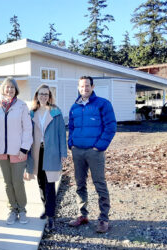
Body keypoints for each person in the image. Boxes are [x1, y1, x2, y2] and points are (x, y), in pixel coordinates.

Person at [68, 76, 116, 233]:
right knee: (79, 184)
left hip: (95, 152)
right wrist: (71, 144)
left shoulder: (103, 104)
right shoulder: (74, 107)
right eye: (82, 86)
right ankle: (82, 215)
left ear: (92, 86)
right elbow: (72, 127)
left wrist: (99, 147)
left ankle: (103, 219)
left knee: (99, 184)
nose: (85, 88)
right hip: (78, 152)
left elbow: (110, 126)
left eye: (87, 85)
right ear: (78, 87)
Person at [0, 77, 32, 225]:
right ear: (3, 89)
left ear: (16, 90)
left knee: (18, 182)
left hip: (18, 151)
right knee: (8, 183)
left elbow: (27, 129)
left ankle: (22, 209)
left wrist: (24, 149)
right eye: (7, 87)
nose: (10, 90)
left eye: (12, 87)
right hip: (2, 151)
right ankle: (13, 209)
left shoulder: (22, 106)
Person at [25, 84, 67, 232]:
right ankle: (46, 207)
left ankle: (51, 217)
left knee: (50, 185)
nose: (43, 96)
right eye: (41, 94)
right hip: (37, 152)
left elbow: (62, 133)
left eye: (46, 94)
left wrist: (63, 153)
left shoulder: (56, 112)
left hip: (52, 152)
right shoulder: (32, 113)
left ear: (49, 97)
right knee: (41, 183)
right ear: (37, 96)